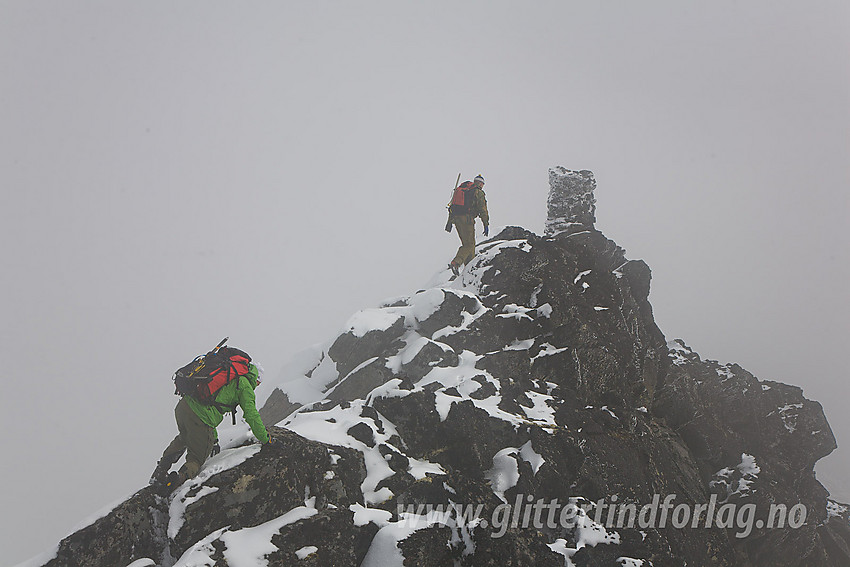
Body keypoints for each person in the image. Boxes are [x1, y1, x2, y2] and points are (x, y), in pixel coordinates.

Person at [150, 355, 271, 490]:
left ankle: (159, 472)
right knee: (196, 458)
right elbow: (251, 415)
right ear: (256, 378)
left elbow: (211, 401)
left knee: (184, 438)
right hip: (199, 417)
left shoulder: (229, 374)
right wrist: (266, 439)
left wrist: (214, 440)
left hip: (183, 407)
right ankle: (174, 483)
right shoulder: (245, 385)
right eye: (258, 383)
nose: (257, 386)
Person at [447, 174, 489, 275]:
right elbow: (483, 210)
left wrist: (449, 223)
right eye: (482, 184)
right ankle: (456, 263)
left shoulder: (462, 190)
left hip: (456, 220)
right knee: (469, 244)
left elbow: (452, 207)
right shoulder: (478, 192)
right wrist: (486, 224)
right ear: (480, 183)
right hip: (467, 220)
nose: (482, 185)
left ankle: (469, 269)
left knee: (469, 245)